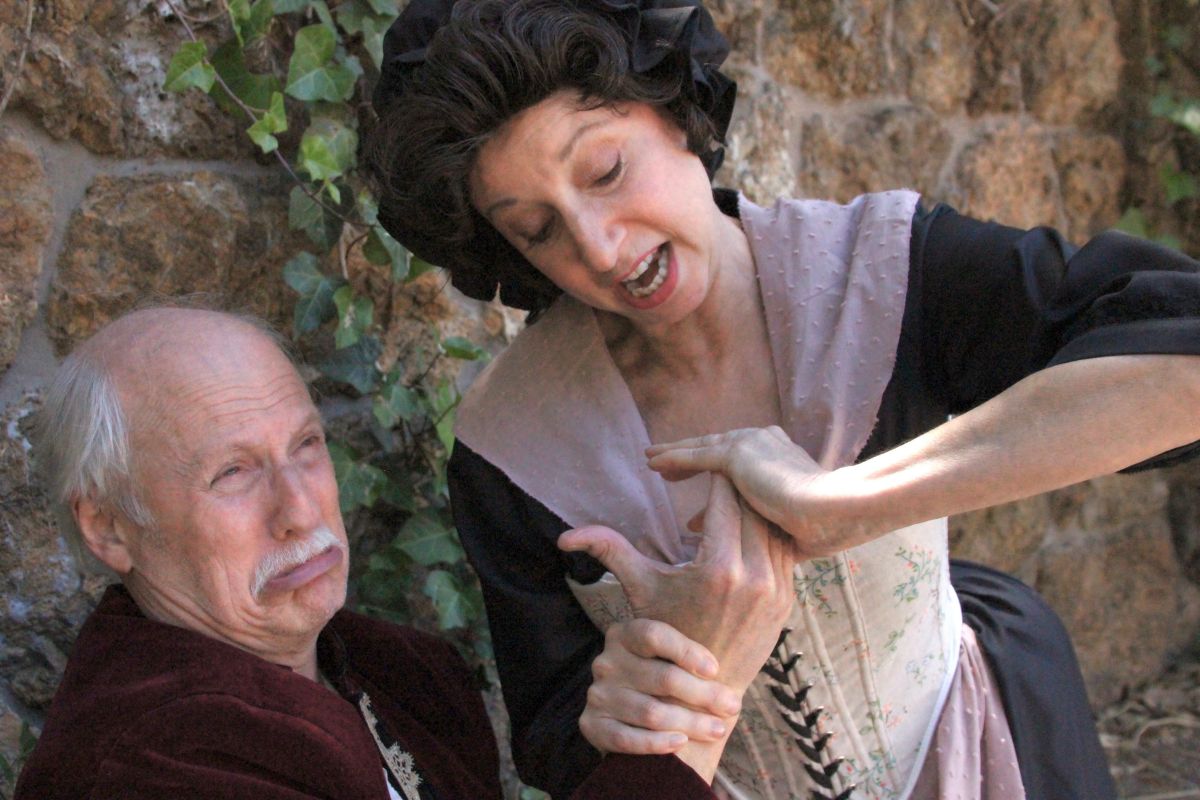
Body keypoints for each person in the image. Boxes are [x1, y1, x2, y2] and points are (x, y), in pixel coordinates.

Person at [365, 1, 1200, 799]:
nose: (601, 247)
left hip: (978, 755)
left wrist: (845, 504)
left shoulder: (883, 273)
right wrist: (623, 709)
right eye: (538, 230)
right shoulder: (507, 450)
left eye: (607, 170)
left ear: (671, 104)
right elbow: (558, 734)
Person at [14, 306, 795, 799]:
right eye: (232, 473)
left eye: (306, 446)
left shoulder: (405, 677)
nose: (299, 510)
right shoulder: (138, 767)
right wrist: (694, 697)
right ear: (109, 529)